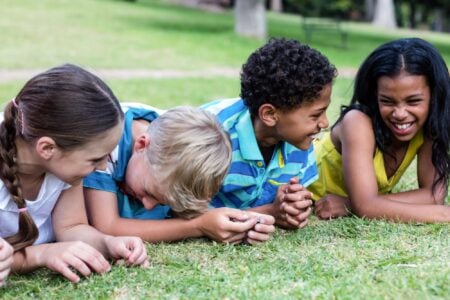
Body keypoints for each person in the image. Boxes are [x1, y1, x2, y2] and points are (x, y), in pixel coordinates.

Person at [0, 64, 148, 284]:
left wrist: (107, 242)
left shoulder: (64, 170)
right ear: (47, 148)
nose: (100, 168)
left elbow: (71, 227)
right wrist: (42, 254)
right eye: (95, 159)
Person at [84, 103, 275, 244]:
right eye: (149, 192)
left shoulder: (177, 160)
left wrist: (246, 223)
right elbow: (107, 227)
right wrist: (198, 226)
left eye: (163, 203)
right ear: (142, 145)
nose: (149, 206)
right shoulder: (107, 143)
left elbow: (198, 212)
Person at [310, 38, 450, 222]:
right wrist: (444, 214)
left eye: (413, 101)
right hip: (293, 190)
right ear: (374, 95)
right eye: (387, 101)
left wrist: (349, 204)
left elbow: (433, 196)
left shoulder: (428, 127)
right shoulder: (357, 123)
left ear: (434, 96)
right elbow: (366, 207)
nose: (400, 114)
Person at [202, 38, 337, 229]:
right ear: (270, 114)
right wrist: (269, 212)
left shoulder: (299, 140)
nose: (324, 123)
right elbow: (187, 214)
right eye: (315, 115)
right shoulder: (210, 136)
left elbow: (289, 201)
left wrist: (293, 205)